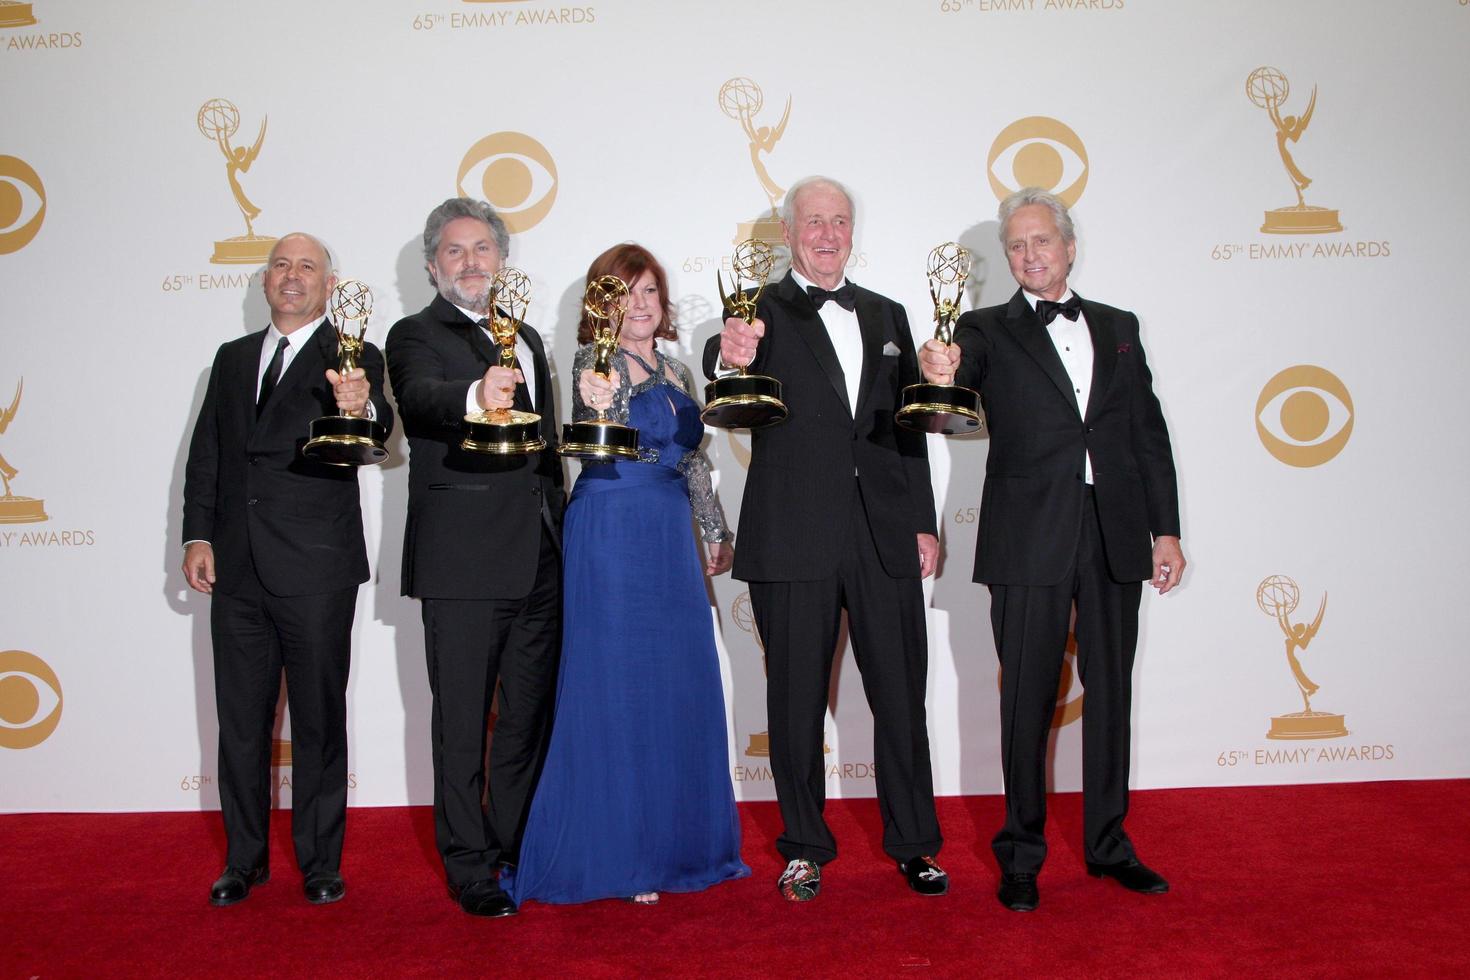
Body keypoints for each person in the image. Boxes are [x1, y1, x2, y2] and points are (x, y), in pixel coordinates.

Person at [918, 187, 1186, 912]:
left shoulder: (1119, 326)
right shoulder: (983, 328)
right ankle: (1020, 855)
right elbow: (951, 403)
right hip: (1028, 535)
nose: (1030, 254)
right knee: (1026, 702)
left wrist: (1166, 529)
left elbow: (1146, 435)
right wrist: (940, 374)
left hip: (1114, 532)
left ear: (1069, 247)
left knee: (1111, 697)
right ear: (1006, 259)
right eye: (1016, 246)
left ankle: (1109, 845)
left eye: (1042, 241)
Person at [703, 176, 948, 903]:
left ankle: (916, 845)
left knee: (902, 699)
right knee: (795, 702)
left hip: (883, 534)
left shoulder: (890, 313)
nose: (828, 233)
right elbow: (729, 392)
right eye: (814, 221)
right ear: (788, 232)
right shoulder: (756, 312)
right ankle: (804, 847)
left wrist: (923, 521)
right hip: (792, 535)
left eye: (839, 221)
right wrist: (731, 356)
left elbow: (909, 431)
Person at [508, 244, 749, 907]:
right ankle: (622, 853)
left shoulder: (675, 367)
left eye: (648, 291)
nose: (639, 303)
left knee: (675, 684)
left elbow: (695, 460)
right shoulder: (592, 361)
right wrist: (600, 399)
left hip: (669, 533)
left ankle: (676, 846)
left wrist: (714, 529)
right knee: (614, 687)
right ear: (599, 306)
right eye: (623, 292)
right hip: (612, 530)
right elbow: (592, 428)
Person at [182, 232, 393, 907]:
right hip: (236, 569)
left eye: (307, 266)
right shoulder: (232, 358)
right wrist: (196, 536)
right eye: (280, 265)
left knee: (318, 720)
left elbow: (375, 432)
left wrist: (357, 405)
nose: (291, 276)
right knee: (240, 724)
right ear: (265, 281)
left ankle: (320, 863)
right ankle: (242, 860)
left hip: (317, 568)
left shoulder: (354, 355)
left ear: (330, 285)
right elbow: (208, 456)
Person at [385, 198, 564, 918]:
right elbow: (422, 399)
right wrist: (474, 394)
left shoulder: (528, 339)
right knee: (461, 724)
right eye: (455, 252)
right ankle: (467, 867)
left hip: (540, 561)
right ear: (432, 266)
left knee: (525, 718)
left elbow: (547, 449)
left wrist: (566, 533)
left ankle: (511, 842)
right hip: (461, 565)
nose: (470, 263)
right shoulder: (412, 335)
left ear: (501, 261)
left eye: (482, 249)